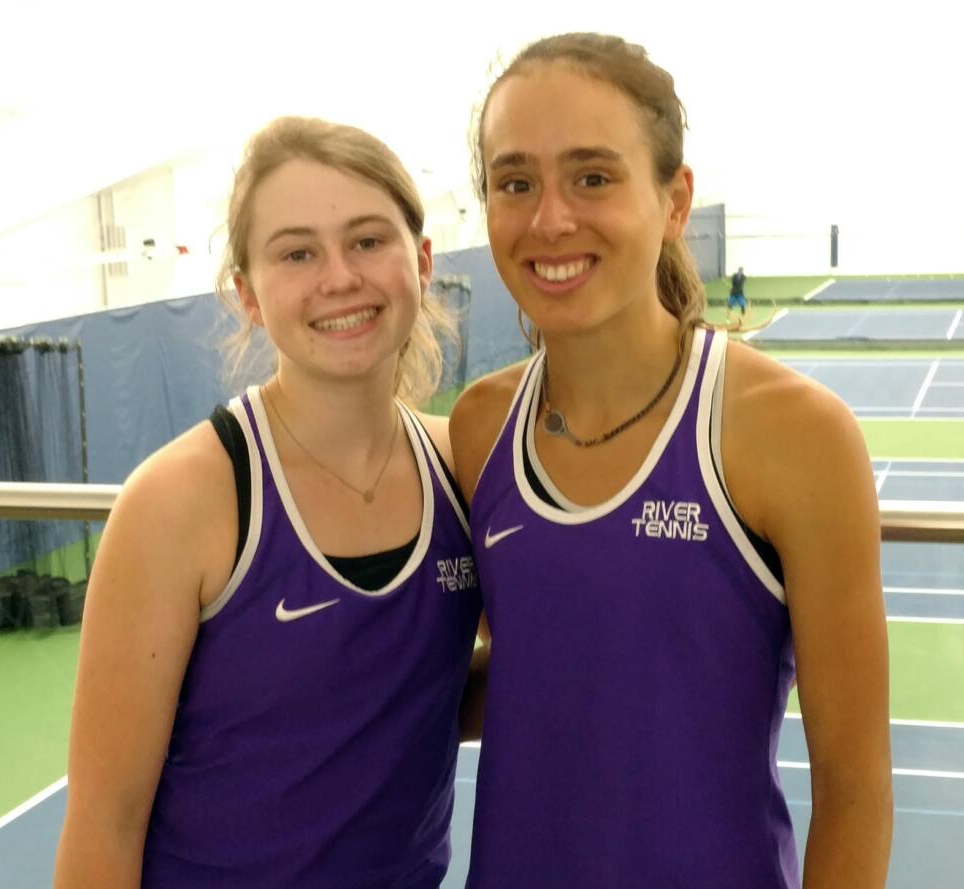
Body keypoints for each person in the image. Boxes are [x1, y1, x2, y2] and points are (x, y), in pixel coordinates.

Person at [450, 33, 892, 888]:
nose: (549, 219)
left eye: (592, 176)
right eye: (515, 183)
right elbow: (534, 671)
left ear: (675, 199)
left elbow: (854, 786)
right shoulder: (479, 429)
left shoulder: (792, 433)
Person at [54, 116, 482, 889]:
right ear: (247, 293)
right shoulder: (181, 502)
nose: (339, 277)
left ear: (420, 262)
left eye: (367, 240)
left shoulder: (464, 467)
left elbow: (441, 685)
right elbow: (104, 821)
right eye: (297, 253)